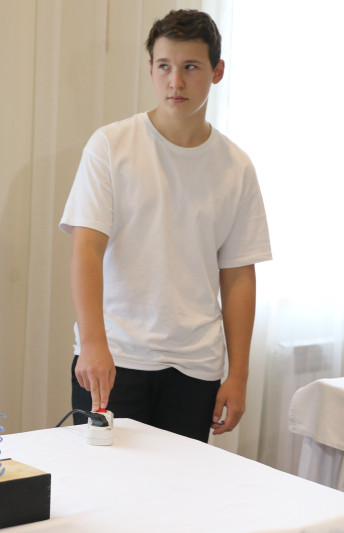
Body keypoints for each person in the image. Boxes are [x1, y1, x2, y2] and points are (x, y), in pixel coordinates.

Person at [59, 9, 271, 442]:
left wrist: (238, 376)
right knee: (102, 481)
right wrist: (93, 345)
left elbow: (238, 276)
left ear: (217, 72)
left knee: (181, 485)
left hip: (196, 368)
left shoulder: (236, 167)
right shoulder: (110, 145)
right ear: (151, 69)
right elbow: (86, 250)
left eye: (190, 67)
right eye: (164, 66)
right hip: (115, 358)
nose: (176, 81)